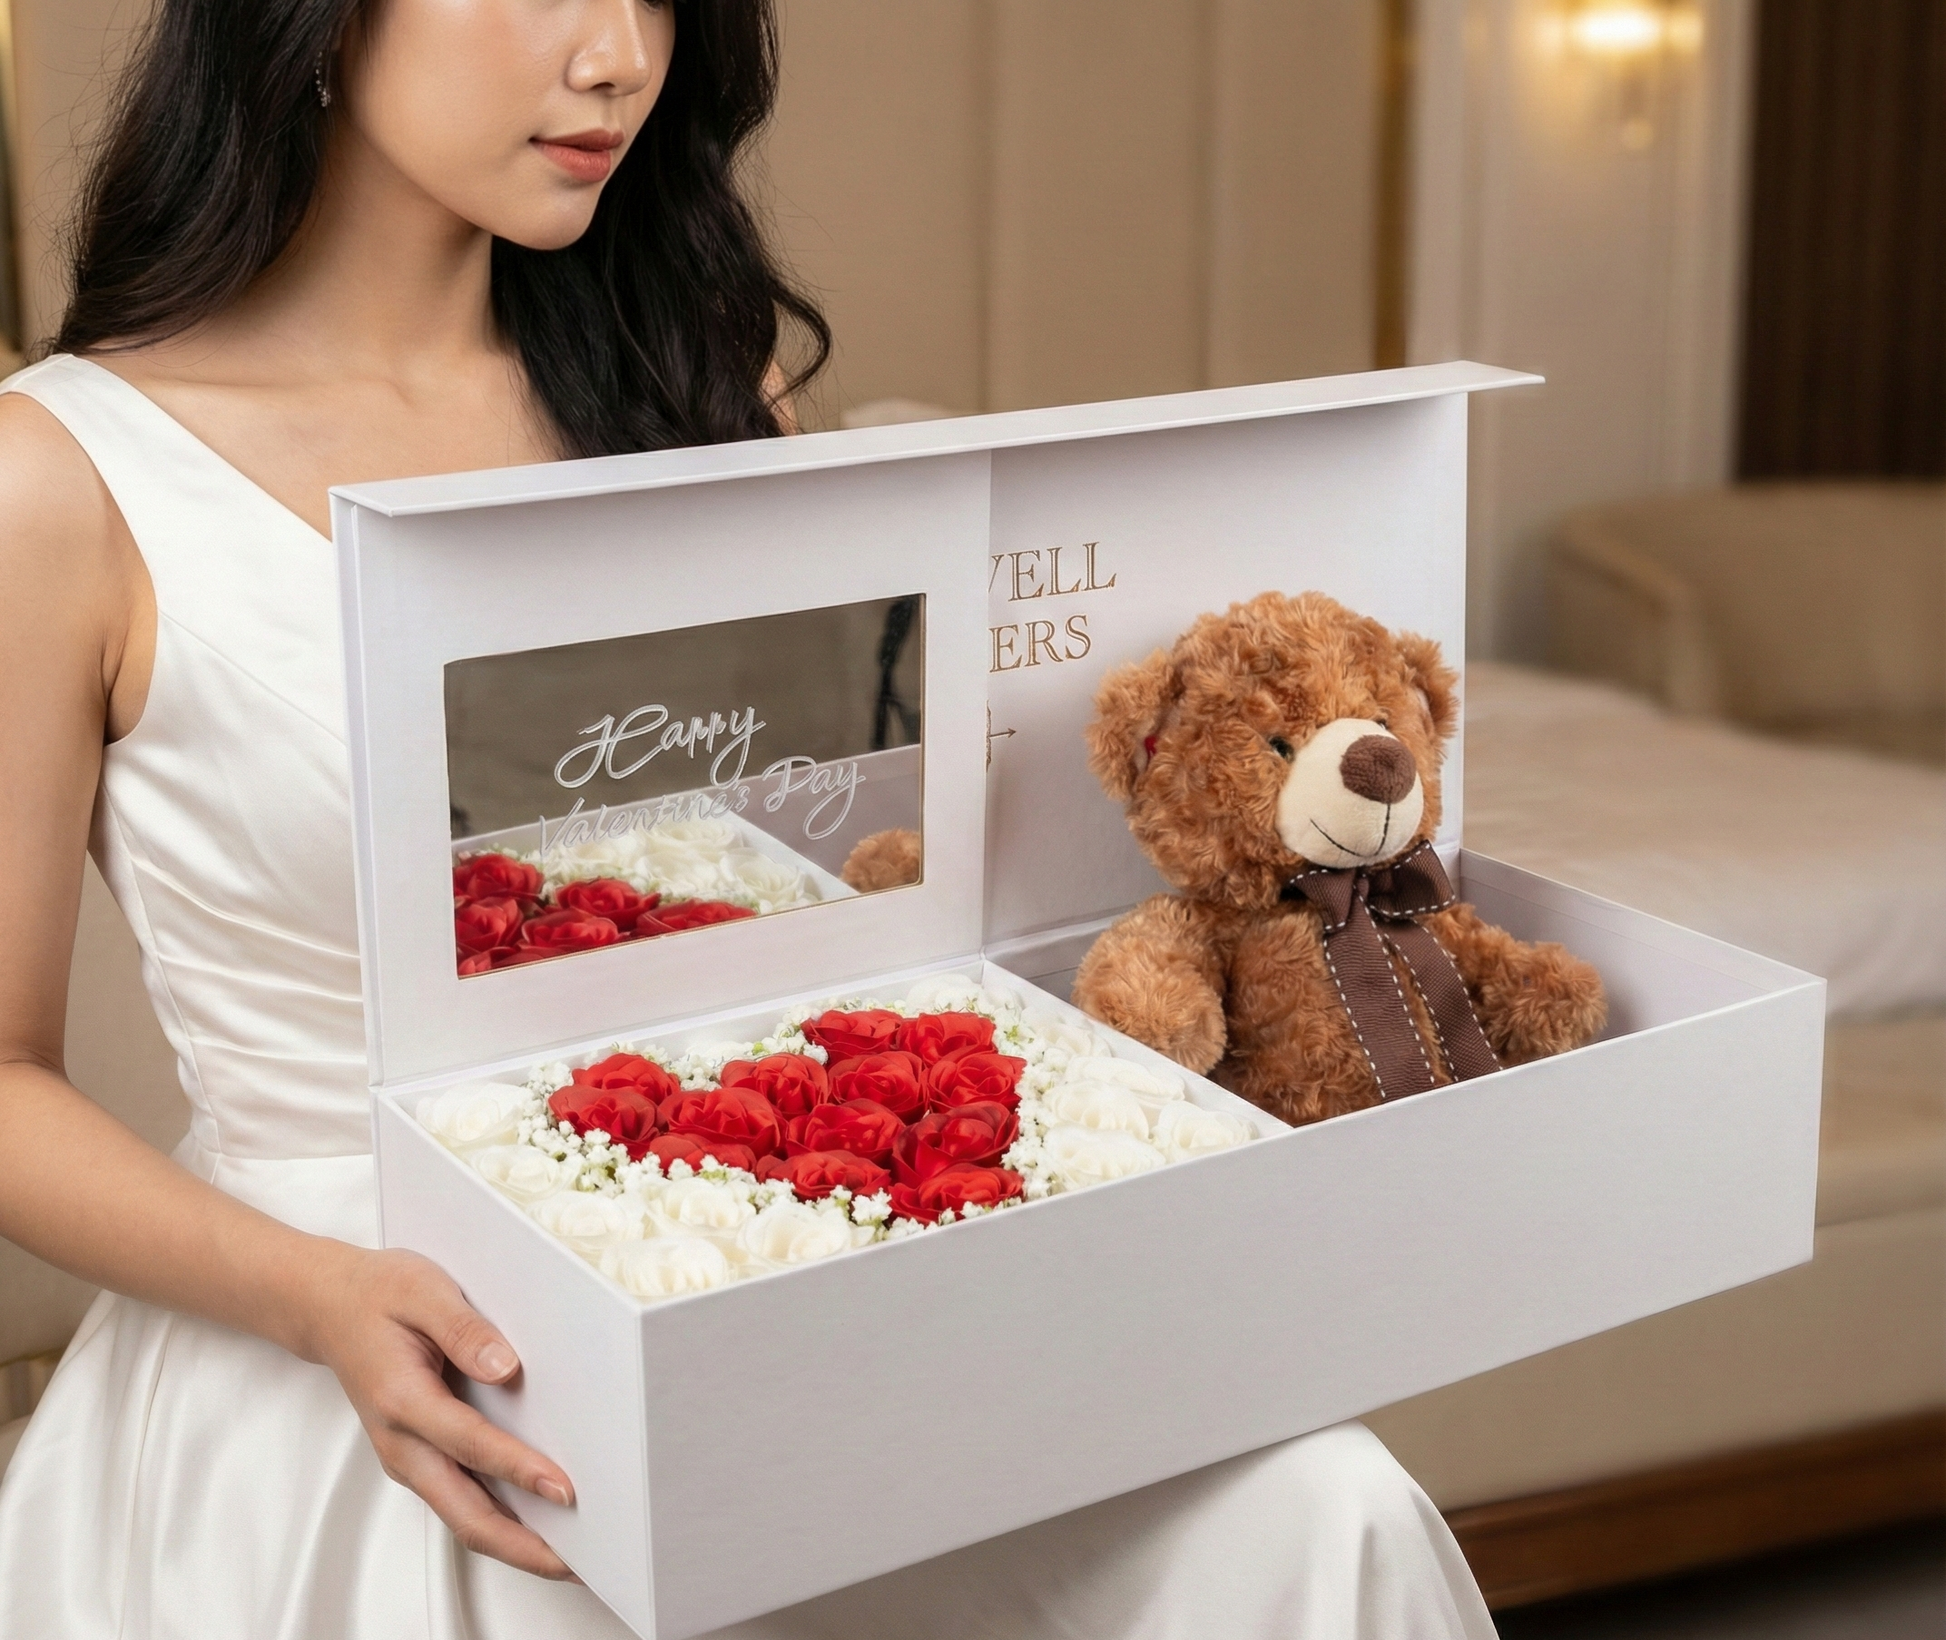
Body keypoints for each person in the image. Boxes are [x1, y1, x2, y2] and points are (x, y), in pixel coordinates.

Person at [0, 2, 1497, 1636]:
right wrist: (317, 1302)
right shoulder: (62, 479)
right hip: (363, 1318)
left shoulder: (704, 389)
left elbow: (852, 884)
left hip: (784, 1230)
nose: (619, 58)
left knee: (1315, 1507)